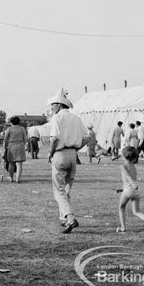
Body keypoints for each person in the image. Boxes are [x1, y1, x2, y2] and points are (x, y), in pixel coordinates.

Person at [47, 87, 88, 234]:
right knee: (66, 188)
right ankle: (63, 218)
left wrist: (50, 153)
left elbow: (54, 138)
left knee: (58, 190)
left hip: (60, 153)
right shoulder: (76, 118)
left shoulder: (57, 118)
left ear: (59, 105)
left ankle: (69, 217)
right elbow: (87, 137)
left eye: (53, 104)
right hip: (72, 155)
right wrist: (76, 149)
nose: (51, 107)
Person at [117, 146, 144, 235]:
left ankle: (123, 227)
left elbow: (127, 176)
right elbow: (129, 179)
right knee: (136, 211)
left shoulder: (123, 166)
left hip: (129, 189)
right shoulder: (133, 166)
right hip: (135, 191)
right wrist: (123, 189)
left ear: (124, 156)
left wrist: (131, 184)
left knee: (121, 207)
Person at [4, 116, 27, 183]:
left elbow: (5, 139)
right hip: (20, 146)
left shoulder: (9, 129)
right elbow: (25, 138)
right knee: (19, 164)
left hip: (11, 146)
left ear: (11, 122)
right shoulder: (22, 129)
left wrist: (6, 147)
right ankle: (18, 179)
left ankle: (11, 178)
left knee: (11, 163)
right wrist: (25, 145)